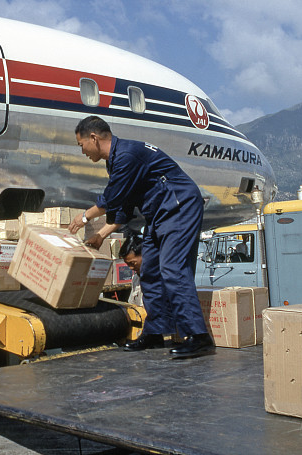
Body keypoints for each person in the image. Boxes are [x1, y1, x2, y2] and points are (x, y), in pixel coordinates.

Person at [68, 115, 214, 359]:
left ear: (93, 138)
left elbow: (111, 198)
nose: (82, 151)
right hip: (159, 214)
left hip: (179, 206)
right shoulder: (116, 160)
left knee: (173, 269)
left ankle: (199, 337)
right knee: (150, 271)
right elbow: (124, 206)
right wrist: (102, 235)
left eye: (81, 144)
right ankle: (156, 332)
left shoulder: (127, 155)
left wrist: (85, 217)